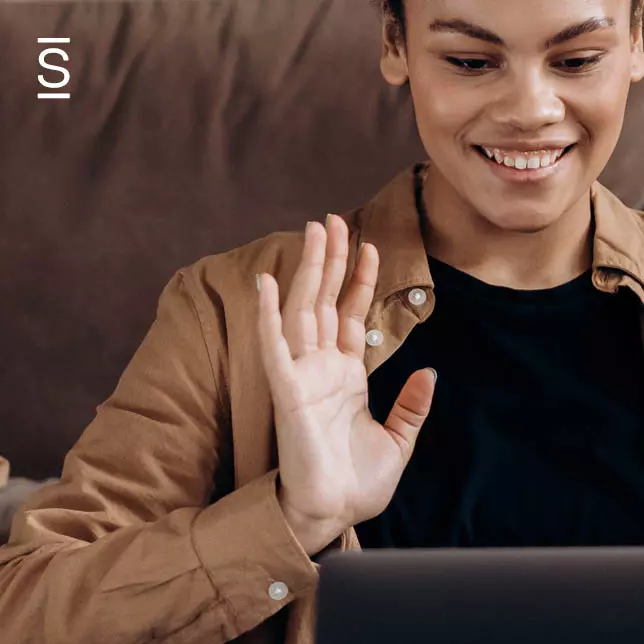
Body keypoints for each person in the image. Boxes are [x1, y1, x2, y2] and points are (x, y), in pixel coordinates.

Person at [1, 0, 643, 642]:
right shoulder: (236, 310)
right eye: (470, 61)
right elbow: (26, 605)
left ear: (637, 45)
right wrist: (288, 518)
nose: (530, 110)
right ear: (396, 46)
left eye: (578, 60)